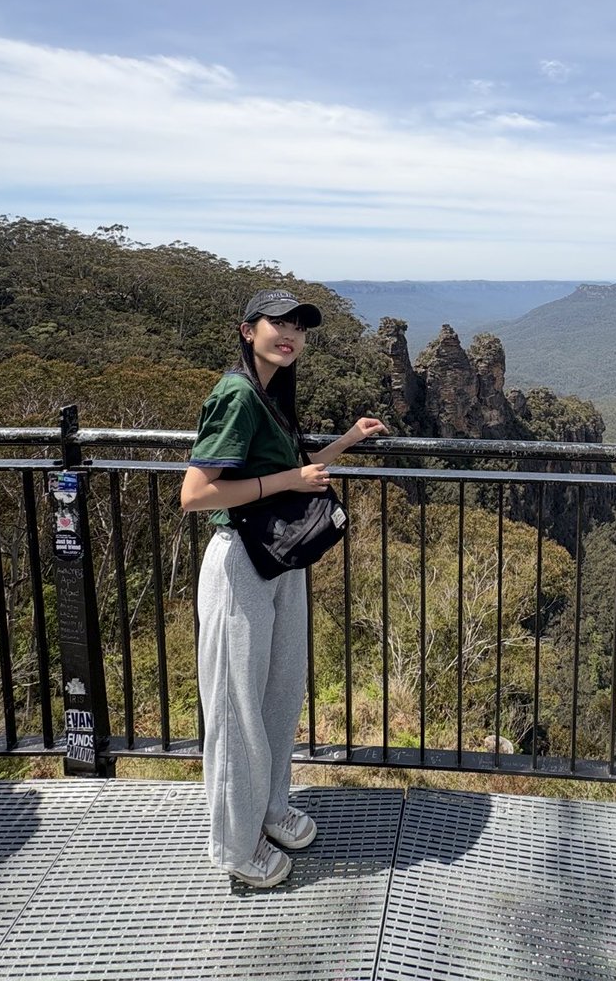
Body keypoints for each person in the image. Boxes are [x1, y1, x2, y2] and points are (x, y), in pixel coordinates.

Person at [180, 288, 387, 887]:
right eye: (278, 322)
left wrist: (345, 441)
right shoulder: (236, 393)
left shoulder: (271, 393)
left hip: (278, 562)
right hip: (240, 562)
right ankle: (235, 847)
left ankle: (269, 810)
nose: (290, 333)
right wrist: (288, 480)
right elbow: (195, 495)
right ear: (248, 330)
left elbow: (293, 471)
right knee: (236, 706)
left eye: (299, 325)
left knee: (278, 692)